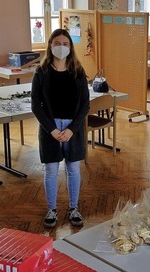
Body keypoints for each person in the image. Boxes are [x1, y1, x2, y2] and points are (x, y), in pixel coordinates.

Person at [31, 29, 90, 228]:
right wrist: (52, 130)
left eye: (65, 43)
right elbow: (35, 105)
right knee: (51, 170)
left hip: (73, 128)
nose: (61, 47)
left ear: (70, 47)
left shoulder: (78, 71)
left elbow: (85, 105)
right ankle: (52, 209)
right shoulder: (41, 72)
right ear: (50, 45)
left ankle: (74, 208)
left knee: (73, 169)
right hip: (51, 129)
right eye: (57, 43)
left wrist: (72, 129)